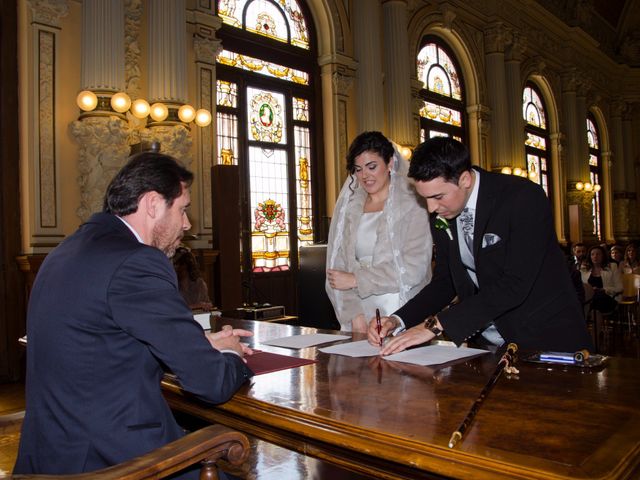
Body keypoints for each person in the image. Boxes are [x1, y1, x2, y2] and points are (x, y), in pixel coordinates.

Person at [14, 152, 253, 478]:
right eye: (183, 209)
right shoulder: (137, 262)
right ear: (153, 204)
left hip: (51, 456)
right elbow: (211, 383)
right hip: (114, 464)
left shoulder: (65, 250)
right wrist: (230, 354)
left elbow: (104, 341)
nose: (187, 224)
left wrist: (198, 342)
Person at [368, 136, 593, 354]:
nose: (431, 208)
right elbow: (446, 281)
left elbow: (515, 284)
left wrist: (435, 326)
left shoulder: (522, 198)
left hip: (543, 336)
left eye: (438, 196)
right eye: (424, 198)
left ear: (464, 179)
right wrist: (398, 319)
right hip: (487, 343)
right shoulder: (443, 210)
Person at [326, 131, 432, 332]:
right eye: (358, 169)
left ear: (390, 163)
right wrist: (353, 315)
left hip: (399, 307)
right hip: (359, 311)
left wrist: (357, 279)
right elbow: (336, 268)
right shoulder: (349, 210)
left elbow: (415, 268)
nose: (365, 175)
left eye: (372, 166)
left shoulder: (413, 205)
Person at [580, 245, 623, 313]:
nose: (595, 256)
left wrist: (604, 289)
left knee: (595, 300)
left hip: (608, 297)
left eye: (598, 254)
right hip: (590, 298)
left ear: (603, 256)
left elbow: (620, 287)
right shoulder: (585, 269)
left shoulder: (612, 267)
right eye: (592, 254)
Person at [173, 245, 213, 310]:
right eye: (175, 265)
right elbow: (173, 309)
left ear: (185, 266)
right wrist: (196, 305)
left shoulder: (199, 283)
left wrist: (207, 305)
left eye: (177, 265)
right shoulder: (172, 284)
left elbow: (207, 304)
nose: (175, 268)